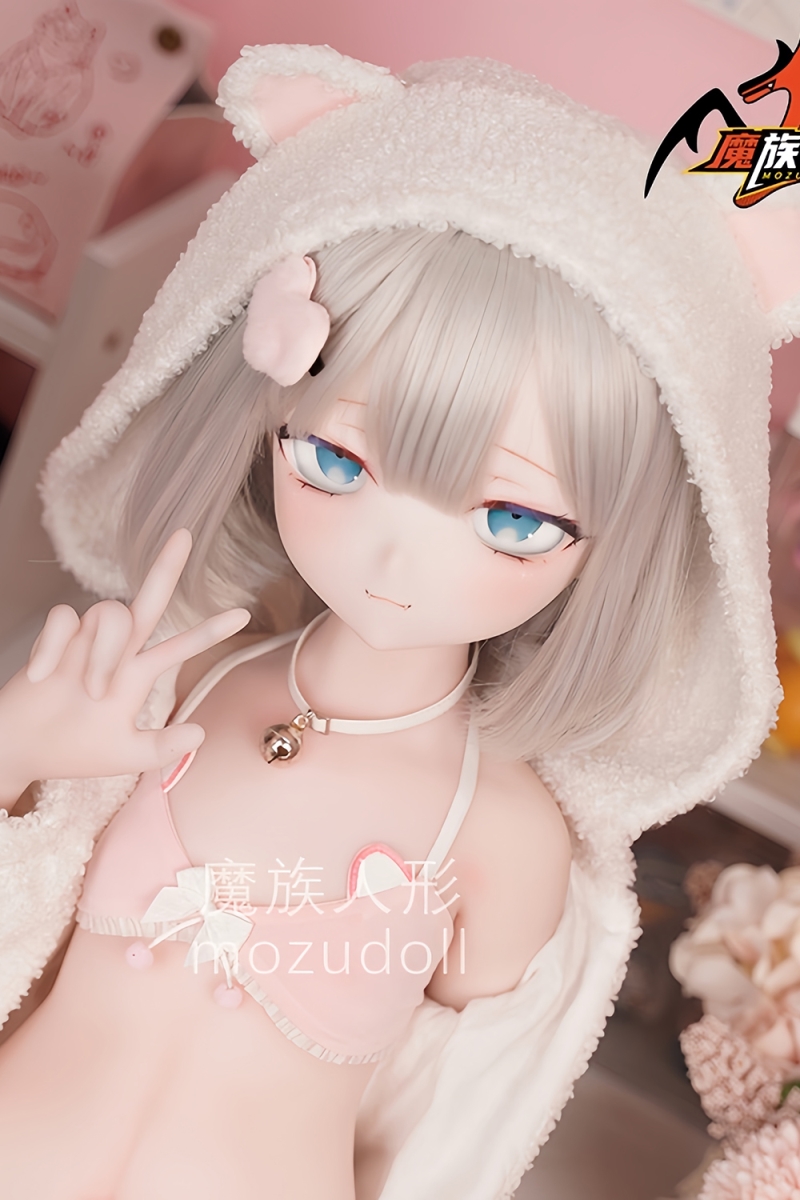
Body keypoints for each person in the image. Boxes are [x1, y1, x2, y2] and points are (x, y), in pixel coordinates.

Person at [0, 44, 782, 1200]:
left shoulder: (502, 834)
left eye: (511, 519)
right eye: (334, 460)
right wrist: (19, 753)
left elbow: (451, 1123)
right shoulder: (162, 688)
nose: (391, 558)